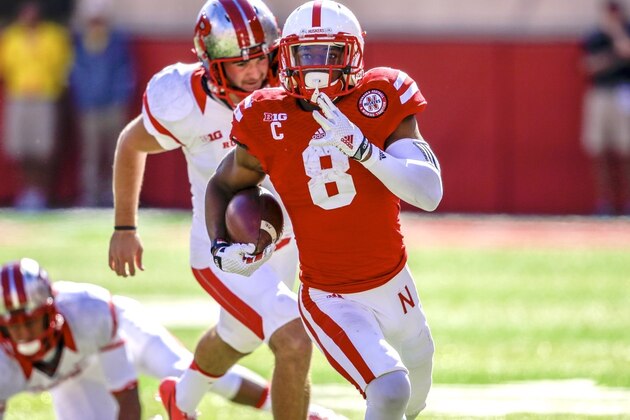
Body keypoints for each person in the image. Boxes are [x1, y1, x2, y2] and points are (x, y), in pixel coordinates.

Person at [205, 1, 443, 419]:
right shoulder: (266, 115)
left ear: (353, 53)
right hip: (330, 294)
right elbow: (223, 184)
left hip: (394, 281)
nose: (315, 67)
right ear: (286, 56)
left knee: (415, 399)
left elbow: (429, 193)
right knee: (390, 390)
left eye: (328, 53)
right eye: (305, 54)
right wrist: (220, 245)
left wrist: (363, 149)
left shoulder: (380, 95)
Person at [108, 1, 345, 419]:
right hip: (221, 245)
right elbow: (131, 143)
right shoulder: (182, 100)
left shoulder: (290, 86)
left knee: (236, 338)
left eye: (261, 57)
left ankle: (179, 400)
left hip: (281, 237)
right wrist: (125, 226)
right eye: (241, 63)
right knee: (294, 340)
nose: (255, 71)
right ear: (213, 64)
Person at [0, 258, 282, 419]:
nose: (24, 334)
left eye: (31, 321)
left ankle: (291, 408)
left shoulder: (89, 312)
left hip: (115, 338)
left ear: (51, 311)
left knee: (185, 371)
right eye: (15, 326)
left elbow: (128, 398)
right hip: (70, 379)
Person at [0, 1, 73, 211]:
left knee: (43, 148)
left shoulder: (54, 36)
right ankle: (26, 192)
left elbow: (62, 66)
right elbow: (5, 67)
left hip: (44, 97)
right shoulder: (11, 37)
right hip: (19, 96)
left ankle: (41, 194)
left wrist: (50, 87)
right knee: (21, 148)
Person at [69, 0, 135, 207]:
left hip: (113, 106)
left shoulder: (117, 41)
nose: (96, 23)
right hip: (90, 107)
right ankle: (91, 194)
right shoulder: (80, 43)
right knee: (91, 153)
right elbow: (76, 74)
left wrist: (120, 98)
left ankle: (114, 194)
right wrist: (83, 99)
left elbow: (125, 71)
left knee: (116, 152)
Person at [581, 0, 630, 215]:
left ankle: (627, 202)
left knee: (626, 149)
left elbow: (626, 51)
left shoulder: (625, 32)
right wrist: (613, 57)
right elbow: (588, 66)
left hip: (623, 93)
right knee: (599, 149)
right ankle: (605, 202)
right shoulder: (595, 36)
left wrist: (617, 33)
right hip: (601, 94)